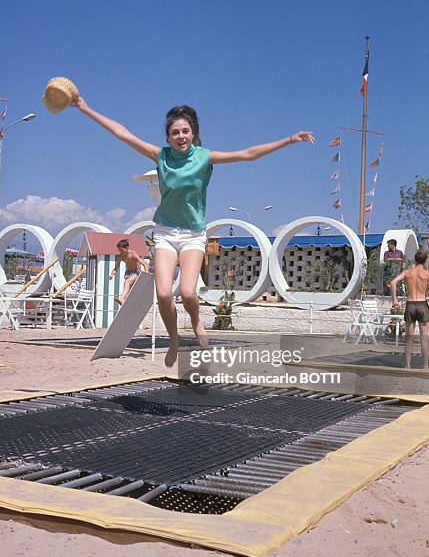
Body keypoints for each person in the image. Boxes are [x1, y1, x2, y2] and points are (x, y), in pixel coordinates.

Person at [73, 98, 314, 366]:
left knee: (188, 292)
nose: (180, 136)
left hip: (193, 235)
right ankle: (174, 340)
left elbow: (249, 154)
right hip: (164, 233)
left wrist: (290, 139)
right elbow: (122, 133)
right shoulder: (160, 156)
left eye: (185, 131)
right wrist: (84, 108)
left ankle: (197, 321)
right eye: (174, 132)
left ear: (193, 133)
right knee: (164, 294)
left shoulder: (204, 157)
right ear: (168, 136)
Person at [390, 250, 429, 369]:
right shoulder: (427, 274)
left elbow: (393, 283)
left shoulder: (408, 272)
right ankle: (426, 366)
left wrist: (395, 300)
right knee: (424, 337)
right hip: (422, 305)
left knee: (409, 337)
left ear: (415, 260)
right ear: (425, 260)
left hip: (411, 304)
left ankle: (407, 366)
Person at [110, 239, 149, 305]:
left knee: (127, 281)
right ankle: (125, 298)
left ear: (127, 248)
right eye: (119, 250)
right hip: (128, 272)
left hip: (136, 271)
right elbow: (116, 268)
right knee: (127, 284)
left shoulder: (133, 254)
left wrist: (147, 273)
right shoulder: (121, 256)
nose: (120, 252)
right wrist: (112, 274)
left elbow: (144, 263)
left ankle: (122, 298)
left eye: (121, 250)